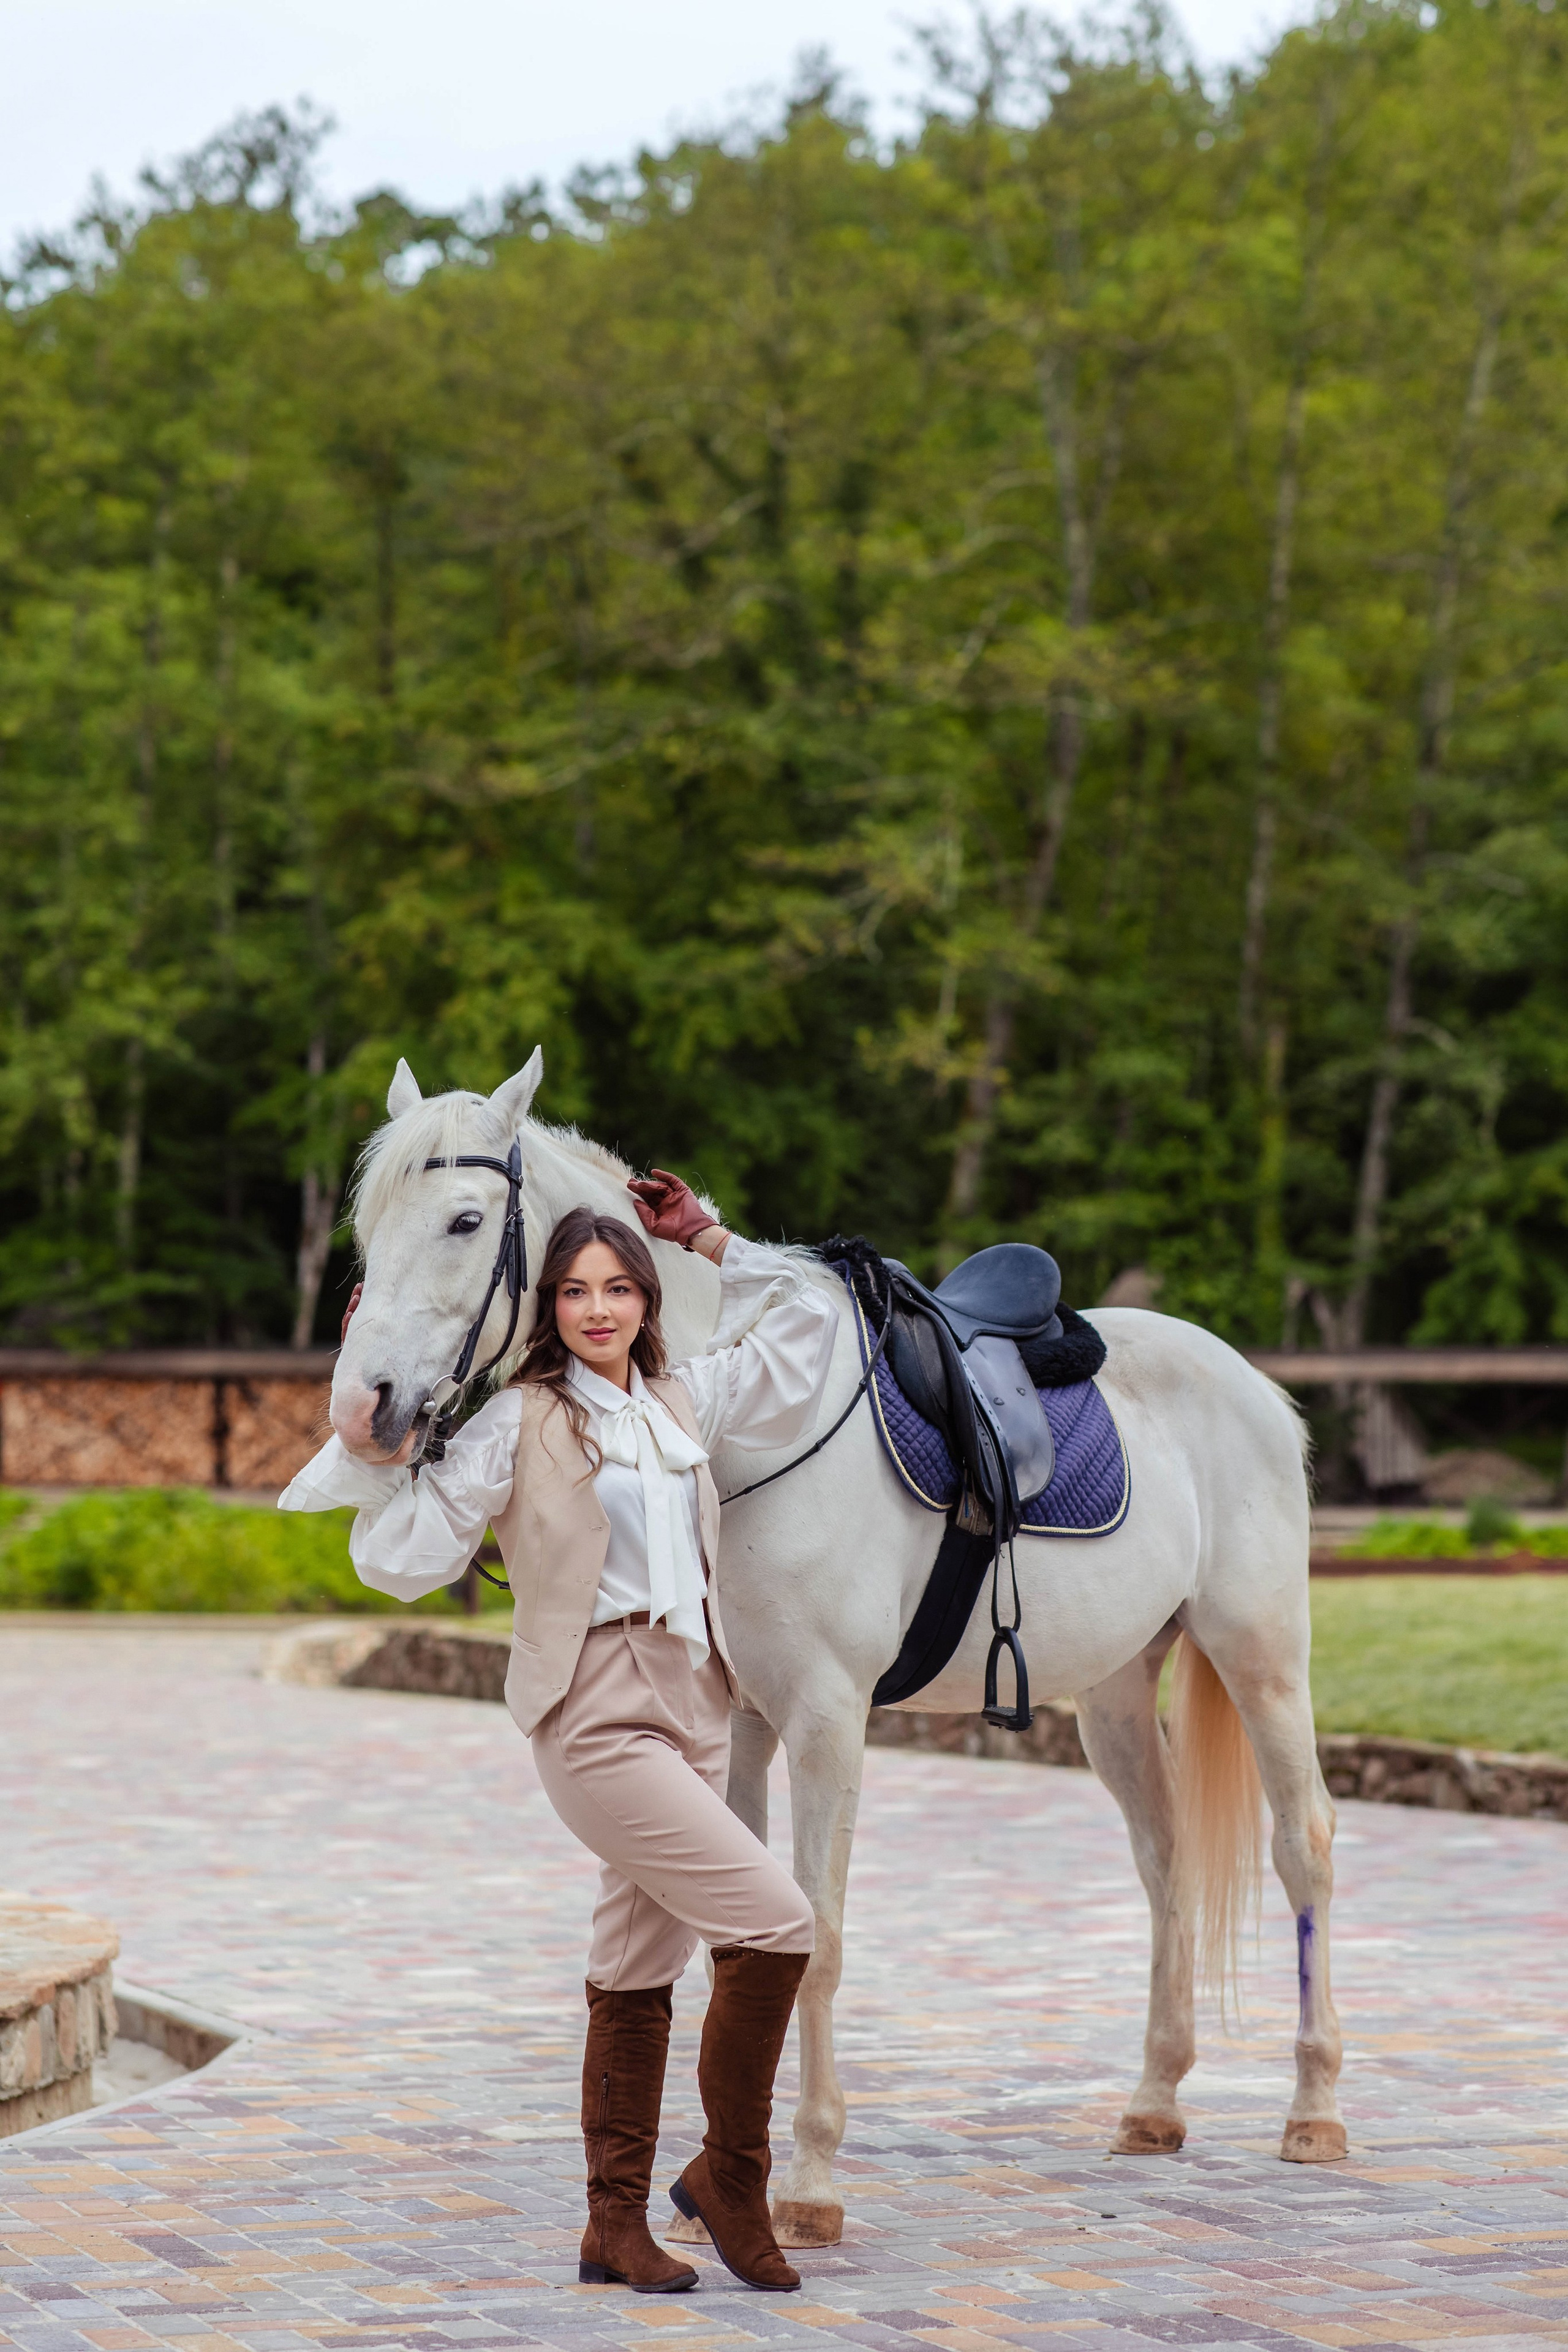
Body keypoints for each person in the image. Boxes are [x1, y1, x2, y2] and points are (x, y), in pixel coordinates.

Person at [280, 1170, 839, 2296]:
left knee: (634, 1967)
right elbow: (393, 1565)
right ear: (548, 1309)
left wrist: (713, 1237)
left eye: (620, 1287)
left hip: (693, 1701)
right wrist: (396, 1454)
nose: (597, 1309)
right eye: (575, 1291)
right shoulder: (515, 1421)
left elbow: (815, 1327)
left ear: (647, 1299)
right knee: (778, 1924)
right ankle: (734, 2177)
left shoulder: (687, 1400)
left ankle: (612, 2228)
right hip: (593, 1711)